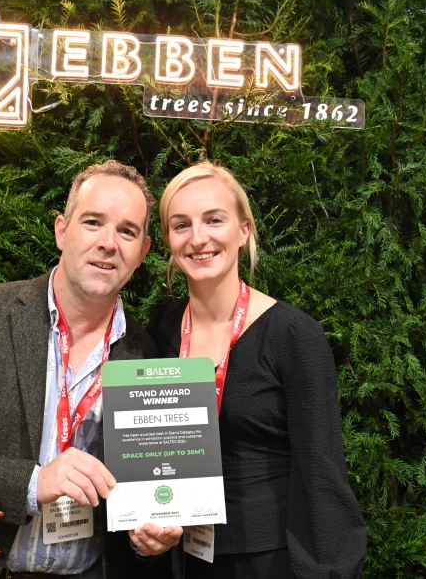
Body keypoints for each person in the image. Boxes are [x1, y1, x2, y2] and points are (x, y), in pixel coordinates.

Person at [0, 161, 182, 579]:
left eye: (127, 231)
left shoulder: (145, 355)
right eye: (93, 222)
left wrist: (146, 541)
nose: (108, 243)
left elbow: (139, 501)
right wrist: (30, 483)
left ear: (143, 251)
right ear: (62, 230)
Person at [147, 162, 367, 579]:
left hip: (270, 558)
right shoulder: (164, 326)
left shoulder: (293, 335)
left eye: (214, 220)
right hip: (186, 556)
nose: (198, 237)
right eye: (181, 225)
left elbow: (322, 472)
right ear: (168, 240)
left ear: (244, 230)